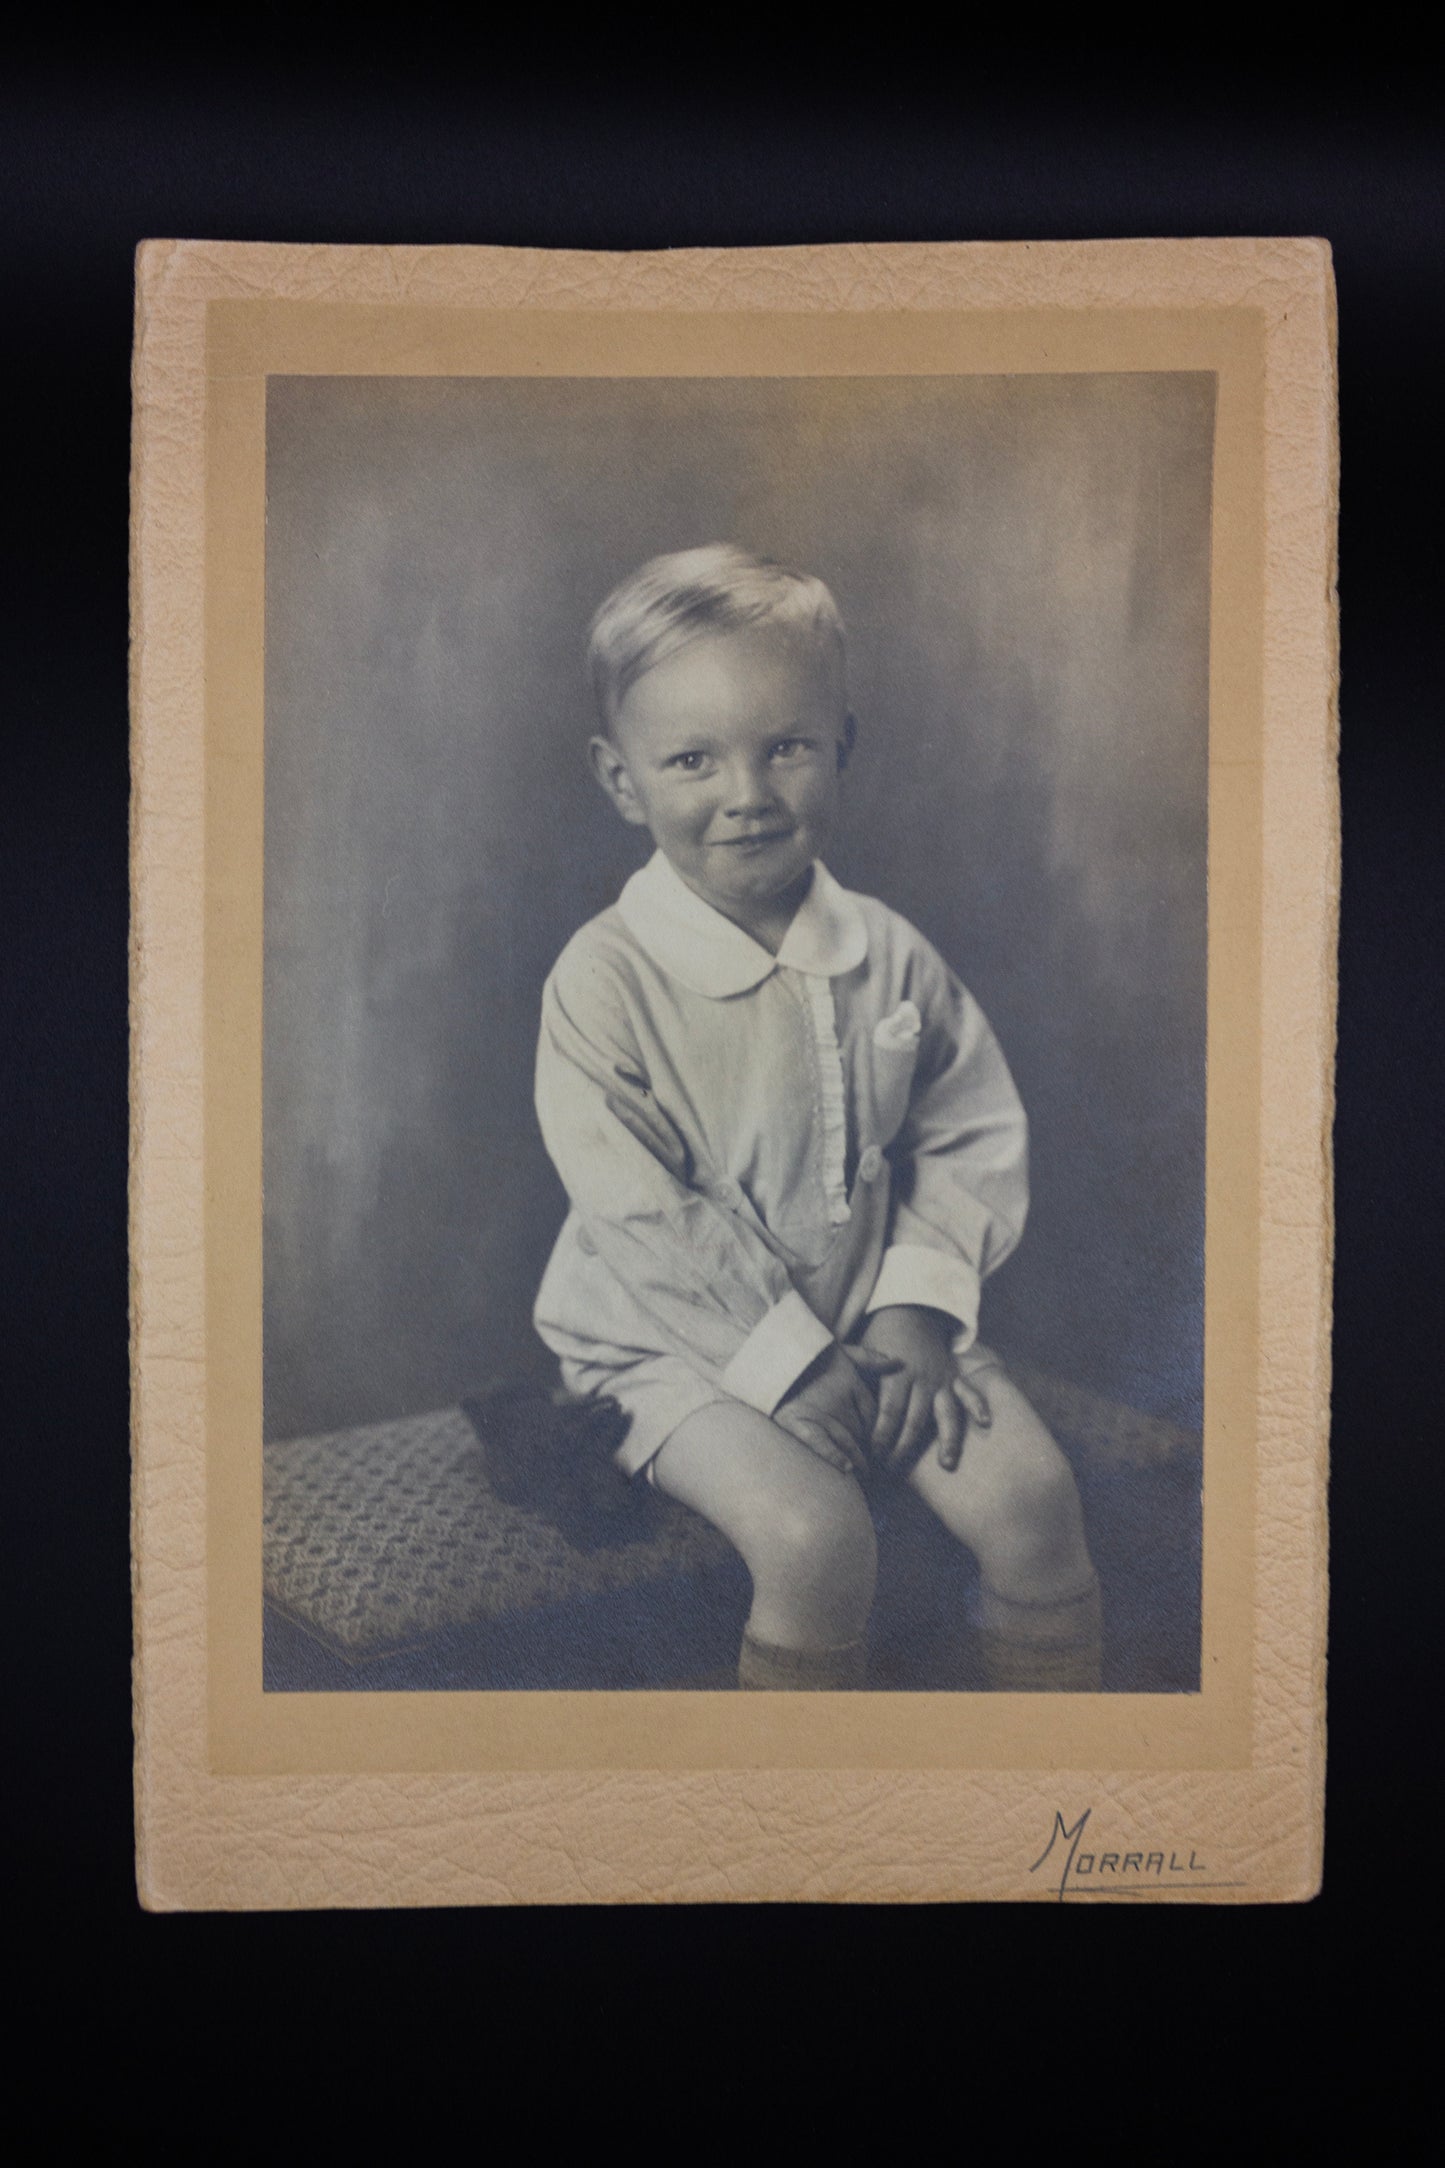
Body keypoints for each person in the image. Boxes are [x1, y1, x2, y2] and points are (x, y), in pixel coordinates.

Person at [532, 544, 1102, 1692]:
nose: (745, 793)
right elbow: (642, 1217)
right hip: (669, 1338)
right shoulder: (602, 980)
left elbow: (964, 1132)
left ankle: (1043, 1801)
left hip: (874, 1312)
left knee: (1033, 1499)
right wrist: (786, 1366)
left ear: (841, 744)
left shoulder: (887, 952)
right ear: (620, 779)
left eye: (784, 746)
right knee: (813, 1537)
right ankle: (801, 1830)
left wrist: (914, 1312)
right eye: (690, 758)